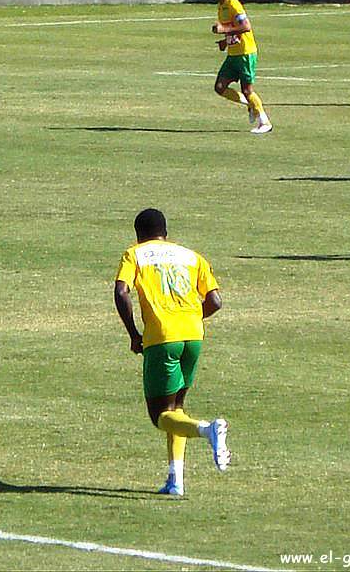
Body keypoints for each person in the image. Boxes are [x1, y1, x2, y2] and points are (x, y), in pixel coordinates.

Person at [113, 208, 231, 496]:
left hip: (162, 338)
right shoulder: (191, 256)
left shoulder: (135, 254)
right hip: (194, 335)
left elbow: (121, 291)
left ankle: (207, 429)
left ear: (138, 234)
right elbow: (215, 300)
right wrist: (189, 318)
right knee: (176, 408)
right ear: (165, 232)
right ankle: (175, 480)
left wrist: (133, 334)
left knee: (160, 415)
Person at [212, 0, 272, 134]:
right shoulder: (221, 7)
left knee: (247, 90)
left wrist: (223, 30)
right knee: (219, 87)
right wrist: (225, 42)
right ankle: (250, 105)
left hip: (245, 53)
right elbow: (234, 31)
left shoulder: (233, 4)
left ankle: (264, 121)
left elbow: (245, 26)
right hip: (233, 54)